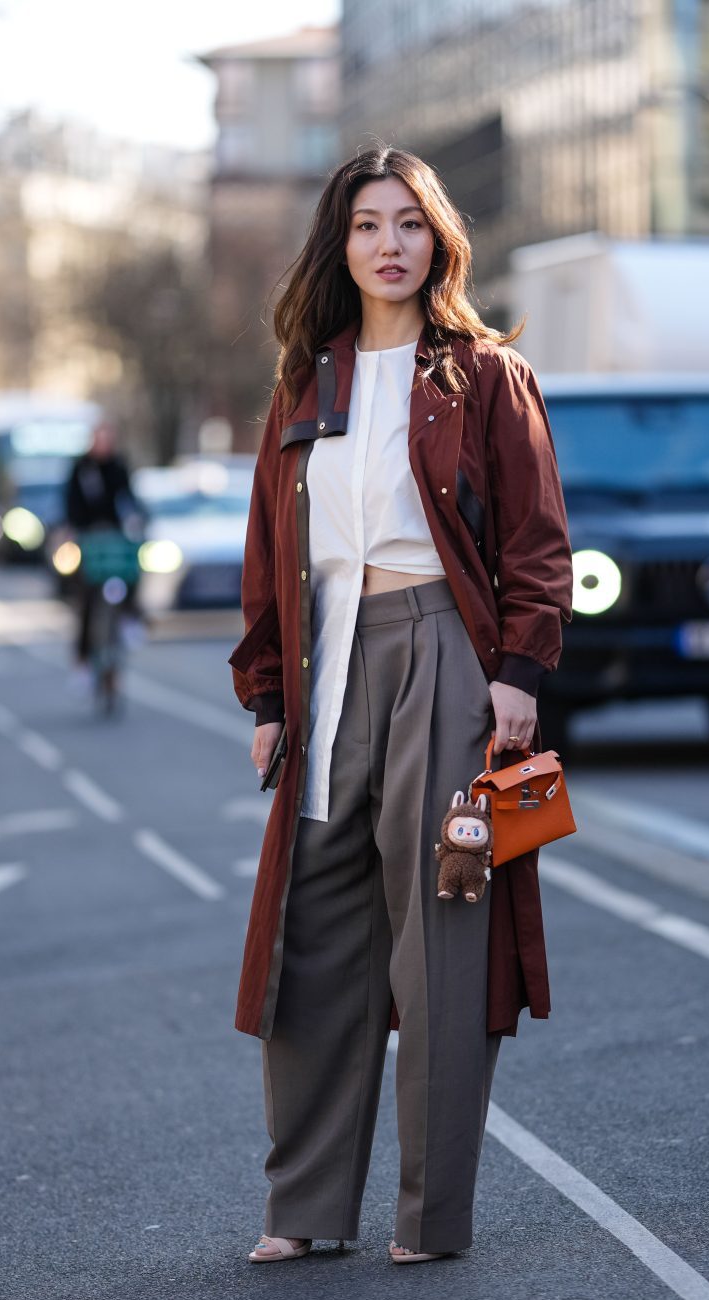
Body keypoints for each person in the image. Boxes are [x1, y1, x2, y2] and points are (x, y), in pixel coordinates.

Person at [229, 148, 573, 1267]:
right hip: (331, 660)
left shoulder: (482, 376)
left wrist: (516, 676)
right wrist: (268, 692)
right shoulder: (302, 382)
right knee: (314, 939)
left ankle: (429, 1219)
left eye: (408, 224)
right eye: (368, 224)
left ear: (438, 242)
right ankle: (305, 1207)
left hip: (443, 654)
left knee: (442, 939)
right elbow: (267, 554)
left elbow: (534, 547)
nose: (389, 244)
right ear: (340, 245)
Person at [62, 423, 143, 668]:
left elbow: (128, 499)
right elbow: (71, 504)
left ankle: (131, 616)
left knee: (131, 571)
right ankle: (84, 658)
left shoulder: (118, 467)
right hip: (88, 539)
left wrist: (134, 520)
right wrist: (73, 529)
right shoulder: (81, 470)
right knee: (86, 595)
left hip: (115, 539)